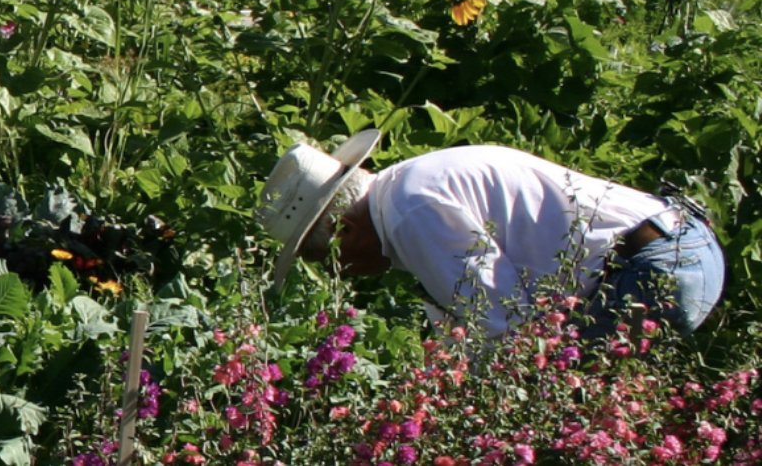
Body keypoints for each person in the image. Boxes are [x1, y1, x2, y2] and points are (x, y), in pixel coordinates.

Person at [256, 130, 725, 340]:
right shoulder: (408, 186)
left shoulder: (410, 215)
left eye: (324, 259)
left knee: (562, 415)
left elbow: (504, 326)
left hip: (652, 270)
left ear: (345, 229)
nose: (344, 276)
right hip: (678, 247)